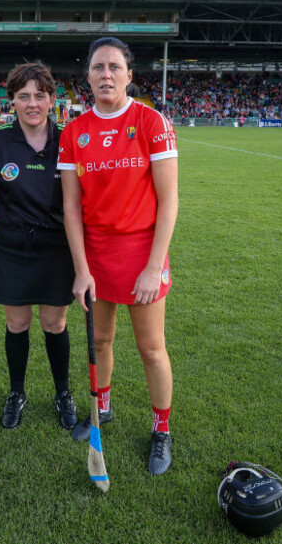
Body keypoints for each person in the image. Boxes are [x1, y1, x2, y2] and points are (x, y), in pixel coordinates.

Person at [58, 37, 179, 476]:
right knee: (101, 342)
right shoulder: (73, 131)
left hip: (143, 253)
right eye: (97, 67)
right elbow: (71, 207)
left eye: (114, 67)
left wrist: (152, 266)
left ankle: (161, 430)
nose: (106, 74)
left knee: (151, 349)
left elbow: (169, 202)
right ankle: (102, 409)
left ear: (129, 73)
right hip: (96, 257)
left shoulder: (152, 122)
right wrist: (81, 269)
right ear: (87, 76)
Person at [0, 63, 78, 430]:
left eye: (40, 96)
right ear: (11, 101)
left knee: (54, 323)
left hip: (56, 247)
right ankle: (17, 392)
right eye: (23, 96)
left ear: (52, 101)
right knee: (17, 324)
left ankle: (62, 392)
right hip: (11, 246)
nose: (32, 103)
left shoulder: (68, 140)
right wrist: (8, 217)